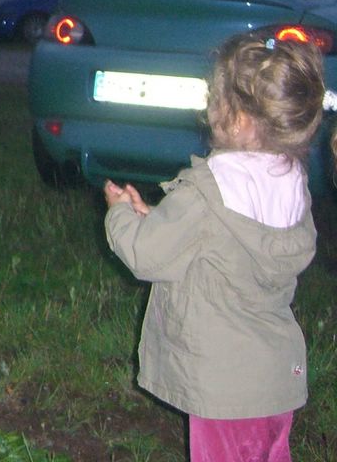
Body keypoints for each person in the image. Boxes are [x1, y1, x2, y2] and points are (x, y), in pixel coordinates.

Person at [104, 32, 330, 462]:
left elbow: (146, 255)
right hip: (276, 379)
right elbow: (218, 241)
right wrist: (156, 217)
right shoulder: (292, 182)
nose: (208, 106)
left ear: (240, 120)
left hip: (224, 387)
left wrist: (120, 215)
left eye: (214, 96)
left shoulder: (208, 191)